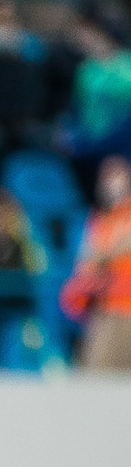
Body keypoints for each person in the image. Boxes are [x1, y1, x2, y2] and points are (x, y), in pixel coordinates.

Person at [60, 156, 131, 371]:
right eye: (107, 177)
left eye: (118, 175)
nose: (112, 182)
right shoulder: (100, 220)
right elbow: (86, 263)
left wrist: (105, 255)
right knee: (96, 376)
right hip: (106, 309)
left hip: (126, 309)